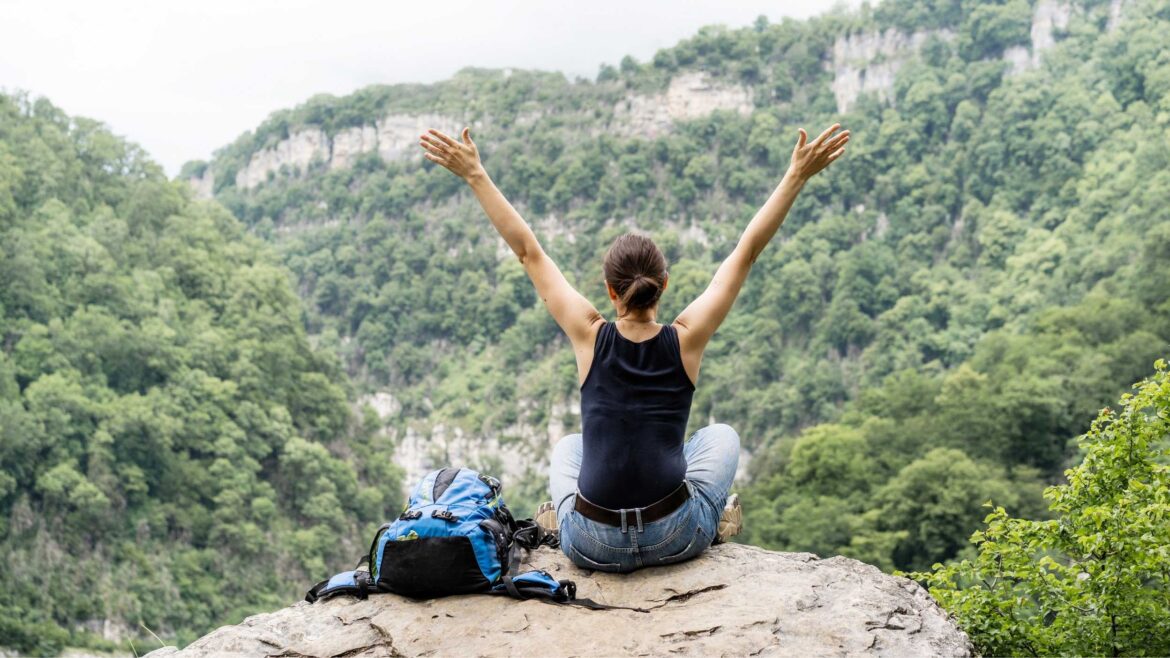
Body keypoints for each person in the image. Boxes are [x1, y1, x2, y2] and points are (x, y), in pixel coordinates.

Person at [418, 122, 849, 572]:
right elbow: (745, 253)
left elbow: (529, 252)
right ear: (664, 285)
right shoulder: (686, 338)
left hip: (591, 545)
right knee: (720, 436)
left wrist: (475, 175)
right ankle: (711, 520)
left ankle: (561, 521)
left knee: (569, 447)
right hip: (676, 536)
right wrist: (796, 175)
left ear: (609, 290)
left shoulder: (589, 333)